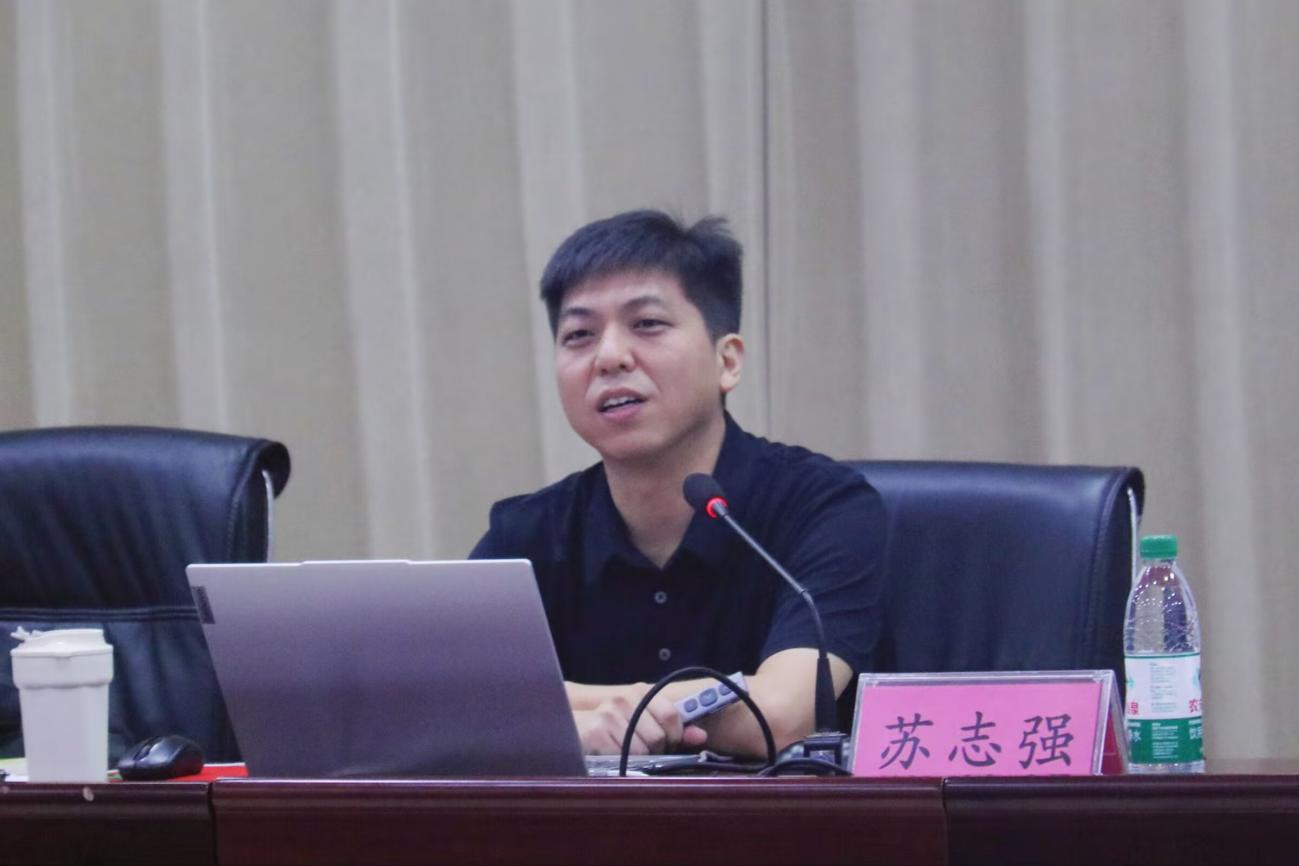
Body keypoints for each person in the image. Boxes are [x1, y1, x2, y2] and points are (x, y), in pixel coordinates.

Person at [471, 209, 884, 757]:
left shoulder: (824, 506)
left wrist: (561, 709)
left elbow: (782, 714)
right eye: (579, 335)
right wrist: (571, 725)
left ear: (727, 361)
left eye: (647, 324)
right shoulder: (525, 536)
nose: (609, 357)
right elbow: (449, 703)